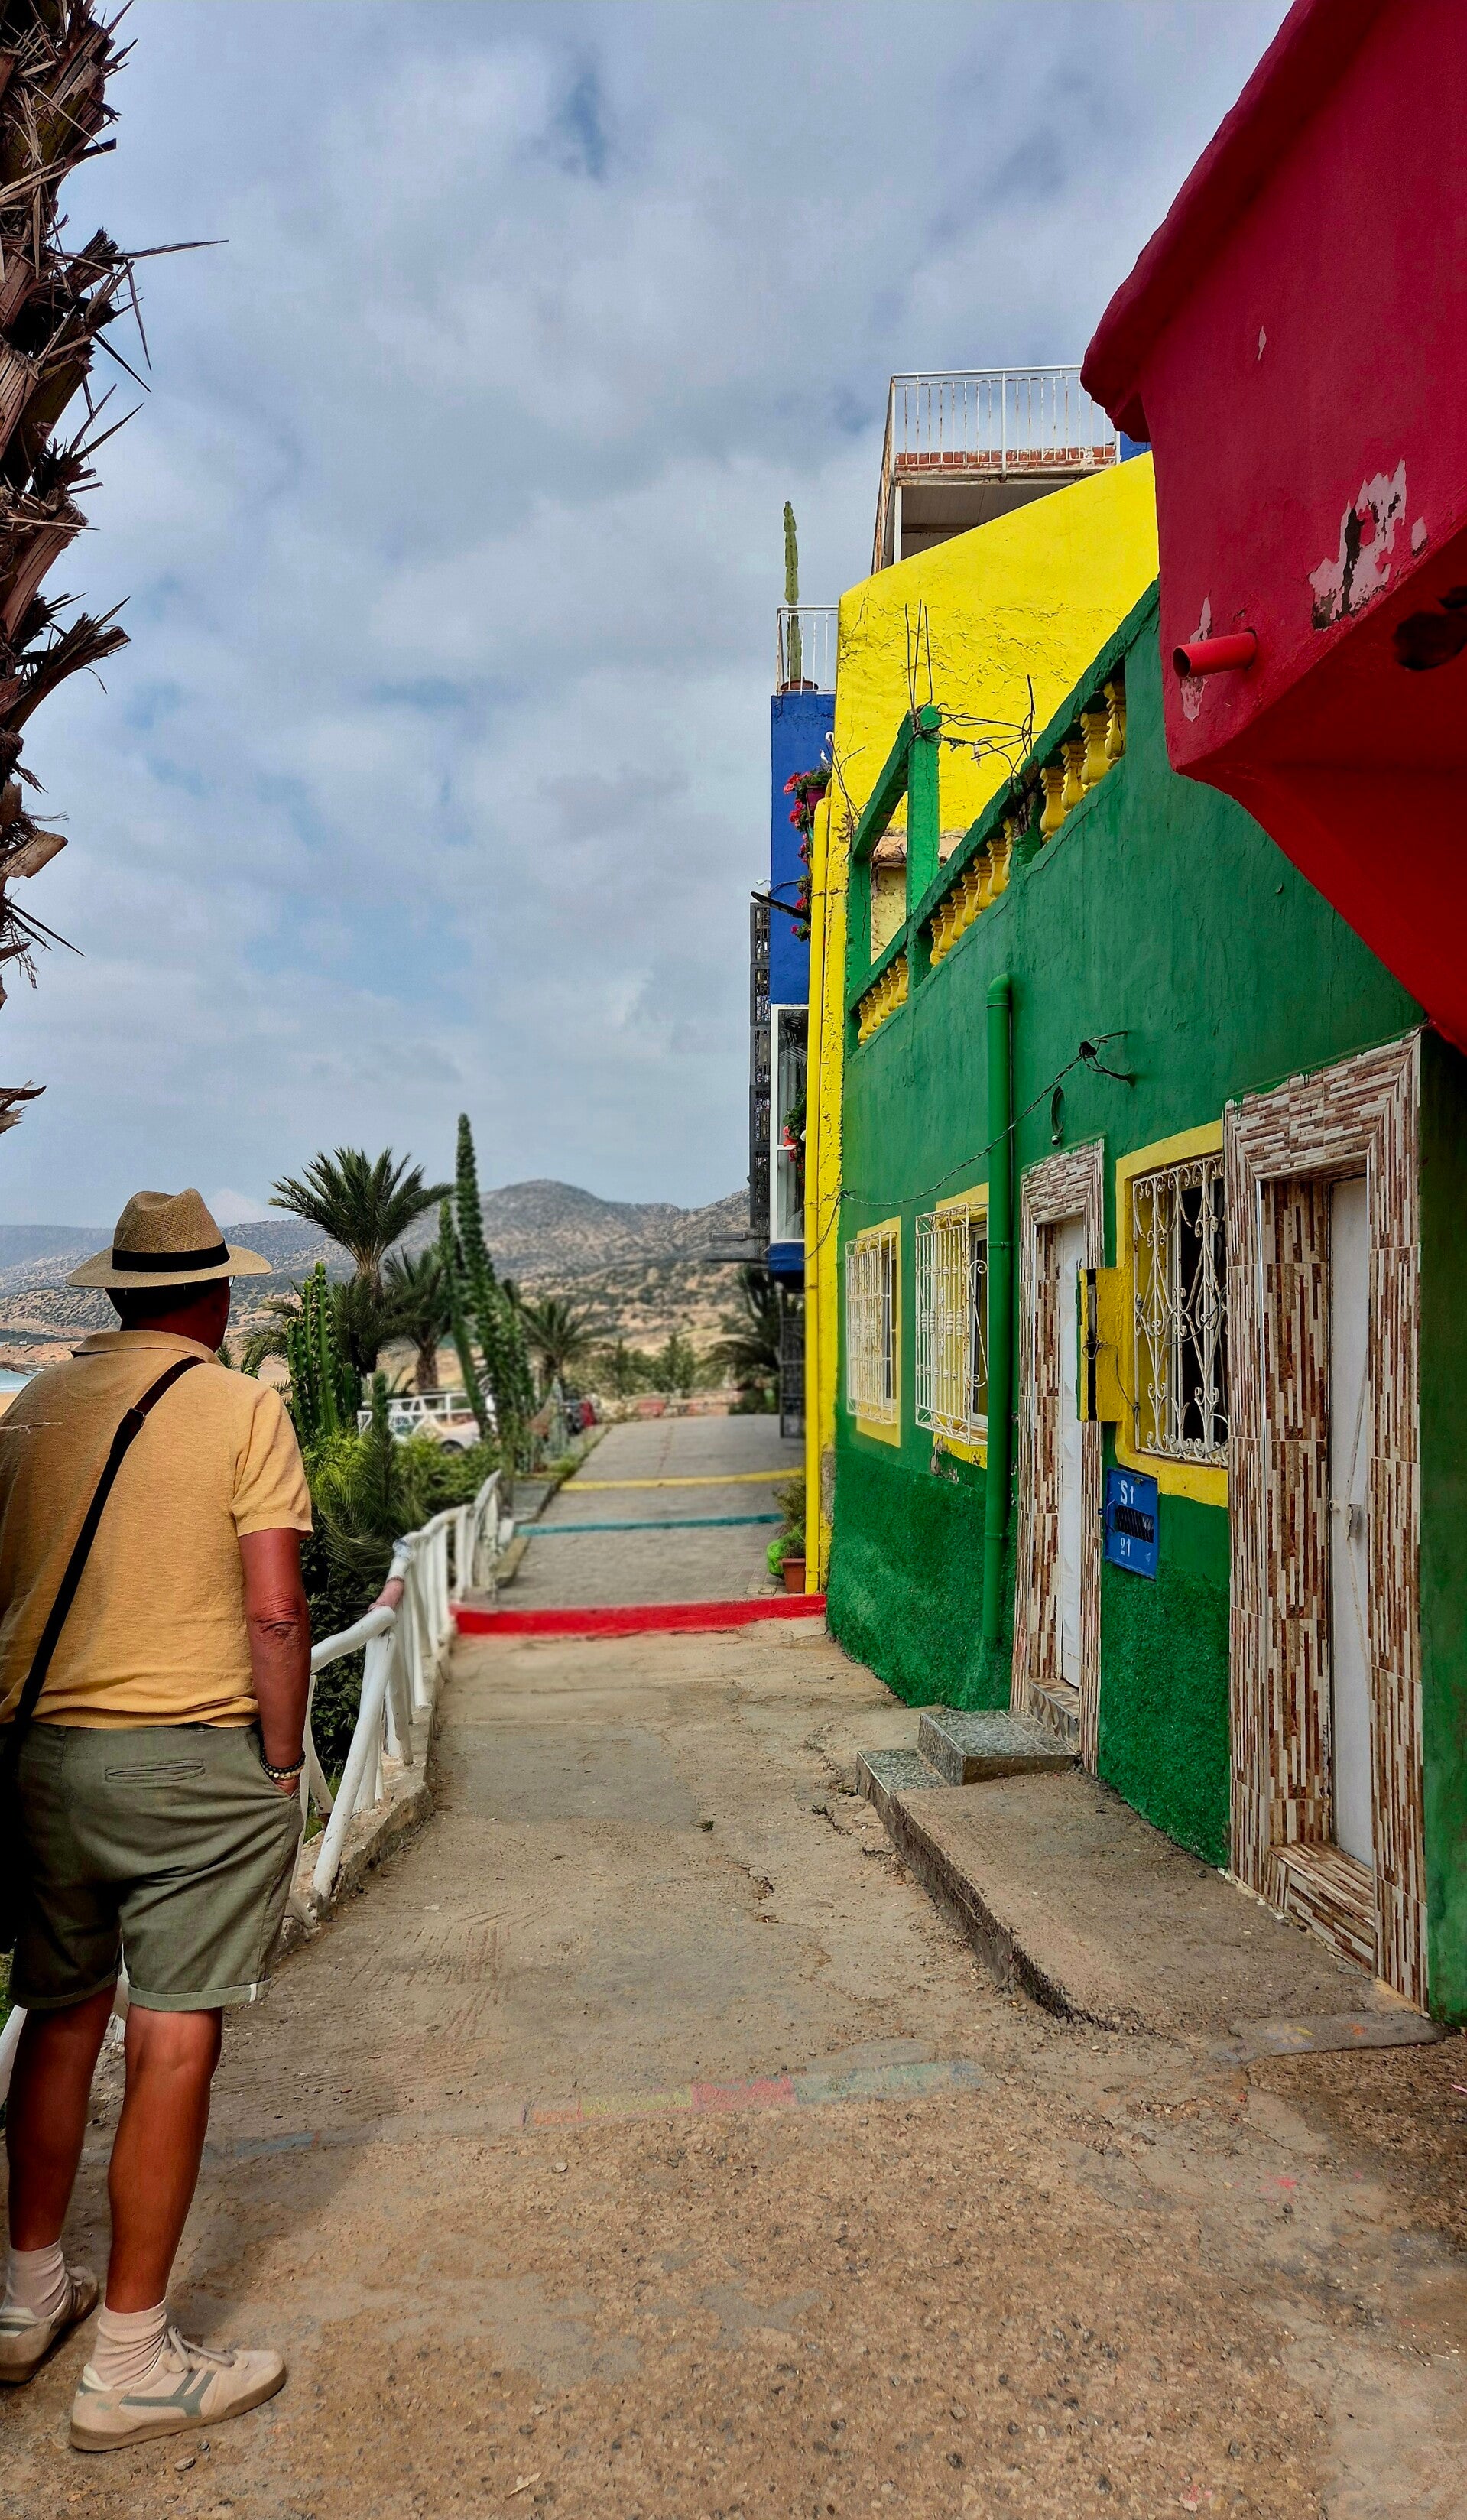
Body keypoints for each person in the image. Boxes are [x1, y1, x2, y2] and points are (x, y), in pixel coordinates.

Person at [0, 1189, 314, 2455]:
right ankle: (131, 2361)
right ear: (218, 1297)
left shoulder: (33, 1405)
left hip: (41, 1760)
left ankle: (26, 2296)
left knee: (59, 2011)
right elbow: (276, 1610)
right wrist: (282, 1764)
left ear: (117, 1293)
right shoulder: (242, 1407)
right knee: (171, 2032)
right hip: (189, 1763)